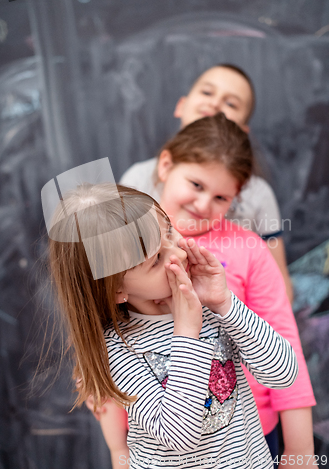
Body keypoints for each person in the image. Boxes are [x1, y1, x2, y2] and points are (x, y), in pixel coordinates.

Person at [95, 114, 315, 469]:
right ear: (165, 165)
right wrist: (118, 450)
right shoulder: (120, 251)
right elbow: (157, 420)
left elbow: (285, 365)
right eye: (195, 185)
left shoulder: (239, 259)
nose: (202, 204)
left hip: (250, 438)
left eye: (221, 196)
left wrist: (225, 304)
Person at [46, 180, 298, 469]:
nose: (177, 253)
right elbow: (179, 435)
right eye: (156, 260)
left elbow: (283, 375)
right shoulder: (117, 349)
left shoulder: (207, 305)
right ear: (116, 290)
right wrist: (187, 333)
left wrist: (225, 304)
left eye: (168, 231)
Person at [120, 64, 294, 303]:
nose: (215, 104)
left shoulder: (259, 194)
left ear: (242, 132)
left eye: (231, 103)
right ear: (181, 105)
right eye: (207, 93)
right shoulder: (138, 178)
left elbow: (277, 283)